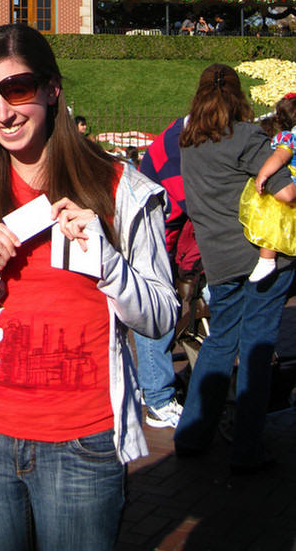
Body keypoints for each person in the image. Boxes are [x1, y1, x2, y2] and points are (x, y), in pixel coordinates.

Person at [0, 23, 178, 551]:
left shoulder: (121, 190)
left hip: (82, 440)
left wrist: (108, 264)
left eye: (18, 90)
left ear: (51, 89)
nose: (2, 112)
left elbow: (162, 316)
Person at [175, 65, 296, 473]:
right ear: (239, 96)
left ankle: (192, 433)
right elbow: (286, 191)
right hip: (262, 258)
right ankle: (247, 447)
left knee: (220, 341)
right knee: (257, 347)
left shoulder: (188, 143)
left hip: (219, 259)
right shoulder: (245, 137)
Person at [135, 117, 190, 430]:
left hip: (167, 237)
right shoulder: (173, 148)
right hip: (157, 239)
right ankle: (157, 396)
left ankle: (153, 386)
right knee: (157, 312)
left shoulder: (178, 139)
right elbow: (183, 202)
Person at [240, 93, 296, 282]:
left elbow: (279, 157)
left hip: (291, 181)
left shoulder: (289, 137)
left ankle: (267, 258)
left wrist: (263, 174)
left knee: (272, 217)